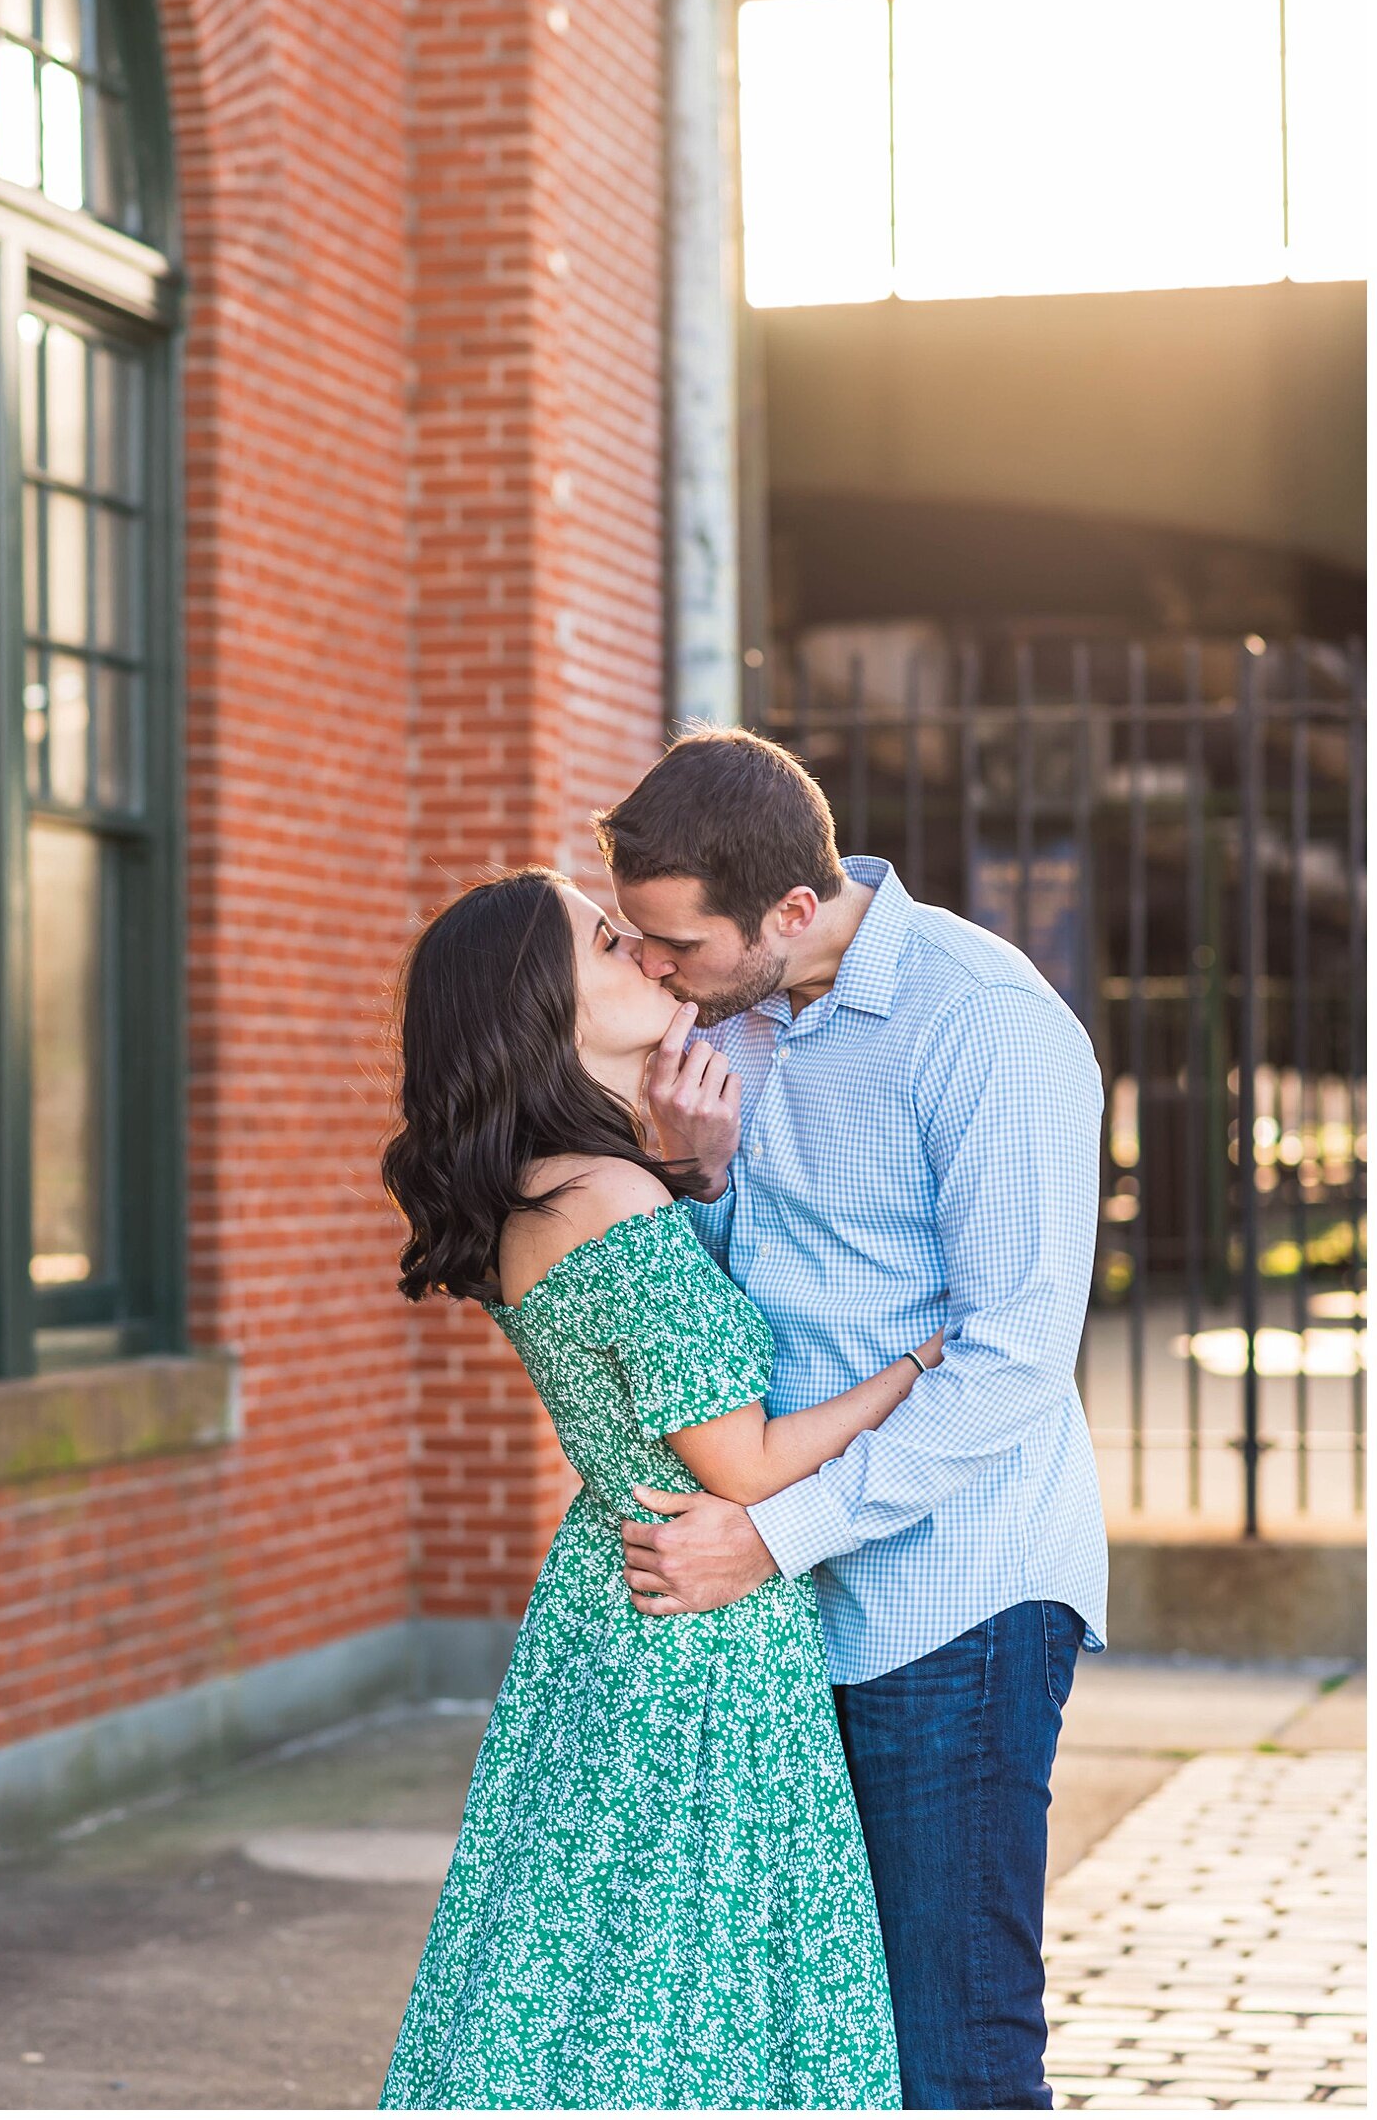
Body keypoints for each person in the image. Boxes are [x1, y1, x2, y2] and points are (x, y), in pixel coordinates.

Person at [597, 725, 1110, 2112]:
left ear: (794, 911)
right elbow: (726, 1321)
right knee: (828, 2048)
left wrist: (769, 1533)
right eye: (637, 944)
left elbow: (1011, 1362)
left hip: (958, 1595)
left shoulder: (986, 1025)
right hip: (781, 1606)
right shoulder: (724, 1025)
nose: (653, 971)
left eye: (674, 945)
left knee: (951, 2043)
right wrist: (696, 1178)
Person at [377, 865, 942, 2110]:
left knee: (595, 1969)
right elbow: (741, 1463)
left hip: (616, 1604)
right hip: (693, 1634)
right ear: (545, 1008)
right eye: (607, 942)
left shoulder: (563, 1188)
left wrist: (693, 1175)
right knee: (694, 1982)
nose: (647, 954)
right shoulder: (610, 1196)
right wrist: (909, 1367)